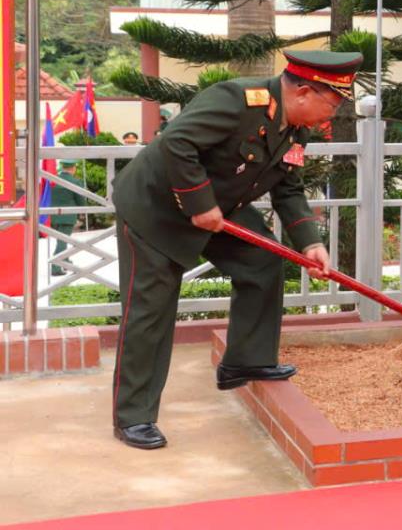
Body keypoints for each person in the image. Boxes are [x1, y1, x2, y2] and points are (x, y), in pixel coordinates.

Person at [109, 50, 361, 450]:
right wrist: (199, 203)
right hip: (154, 209)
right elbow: (176, 143)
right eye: (329, 105)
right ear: (303, 92)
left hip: (219, 211)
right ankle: (133, 416)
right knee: (150, 311)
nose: (329, 118)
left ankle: (246, 359)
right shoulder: (235, 100)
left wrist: (311, 242)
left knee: (262, 261)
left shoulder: (296, 130)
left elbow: (288, 188)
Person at [49, 160, 87, 276]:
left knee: (61, 239)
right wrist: (84, 210)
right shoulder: (75, 182)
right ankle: (56, 266)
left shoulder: (53, 180)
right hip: (68, 216)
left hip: (53, 215)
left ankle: (65, 260)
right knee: (63, 241)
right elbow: (81, 200)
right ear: (73, 168)